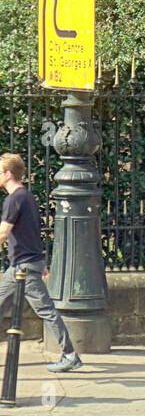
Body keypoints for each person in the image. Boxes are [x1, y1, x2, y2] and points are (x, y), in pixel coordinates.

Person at [0, 152, 81, 372]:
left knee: (47, 311)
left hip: (23, 267)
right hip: (23, 265)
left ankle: (70, 355)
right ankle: (70, 355)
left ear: (8, 174)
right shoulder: (27, 197)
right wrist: (41, 262)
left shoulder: (13, 199)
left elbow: (3, 233)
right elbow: (33, 232)